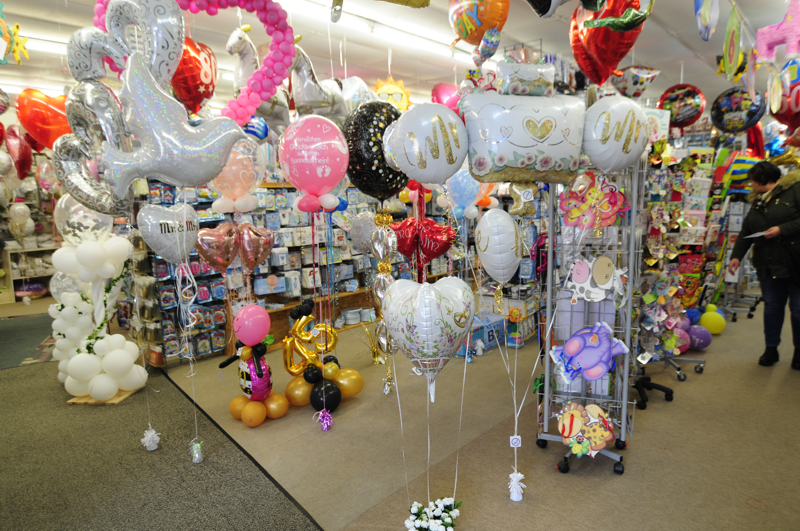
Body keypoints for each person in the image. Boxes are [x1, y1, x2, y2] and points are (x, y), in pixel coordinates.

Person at [729, 161, 800, 369]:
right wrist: (736, 256)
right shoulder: (757, 201)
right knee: (772, 308)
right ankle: (771, 348)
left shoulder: (794, 191)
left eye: (753, 180)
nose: (751, 184)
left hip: (795, 261)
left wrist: (782, 229)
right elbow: (746, 232)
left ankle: (799, 351)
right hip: (768, 263)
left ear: (765, 180)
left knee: (798, 310)